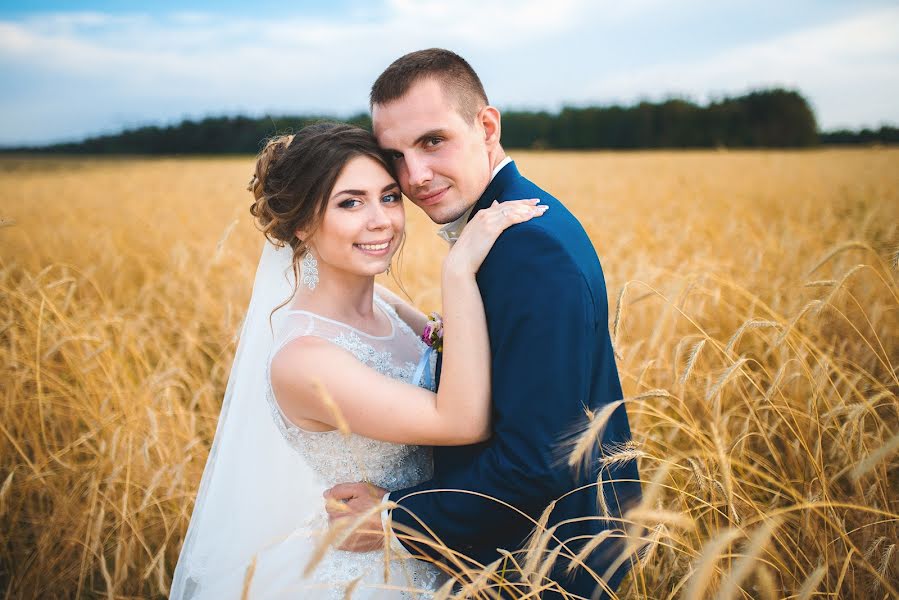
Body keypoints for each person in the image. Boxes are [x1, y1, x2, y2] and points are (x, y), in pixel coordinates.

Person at [169, 122, 546, 599]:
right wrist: (458, 271)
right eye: (350, 202)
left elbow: (459, 351)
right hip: (369, 575)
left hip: (429, 547)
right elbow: (462, 420)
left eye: (389, 197)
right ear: (302, 223)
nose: (381, 220)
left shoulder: (383, 303)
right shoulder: (305, 360)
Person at [324, 49, 643, 599]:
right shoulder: (513, 224)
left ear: (486, 126)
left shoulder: (529, 248)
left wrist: (393, 516)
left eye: (432, 141)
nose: (415, 176)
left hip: (543, 567)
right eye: (395, 155)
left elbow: (539, 463)